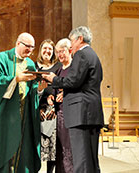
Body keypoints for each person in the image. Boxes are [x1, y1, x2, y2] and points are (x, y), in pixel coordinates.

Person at [42, 26, 104, 173]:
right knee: (91, 161)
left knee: (81, 160)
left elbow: (72, 81)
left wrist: (54, 79)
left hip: (80, 114)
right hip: (91, 113)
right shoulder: (93, 55)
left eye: (72, 41)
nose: (71, 46)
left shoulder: (81, 55)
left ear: (79, 39)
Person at [0, 32, 41, 173]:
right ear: (18, 43)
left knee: (22, 148)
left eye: (33, 47)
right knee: (6, 148)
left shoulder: (30, 63)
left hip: (24, 113)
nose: (30, 50)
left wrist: (38, 83)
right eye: (27, 46)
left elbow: (32, 88)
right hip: (5, 113)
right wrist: (16, 79)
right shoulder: (2, 58)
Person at [47, 38, 73, 173]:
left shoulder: (74, 69)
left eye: (62, 51)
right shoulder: (58, 71)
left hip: (71, 116)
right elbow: (55, 89)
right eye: (57, 52)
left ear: (70, 50)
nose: (60, 55)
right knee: (60, 151)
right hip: (59, 116)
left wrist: (66, 93)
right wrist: (52, 97)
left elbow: (79, 88)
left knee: (69, 151)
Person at [35, 39, 61, 173]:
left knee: (53, 148)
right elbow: (30, 90)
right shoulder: (34, 67)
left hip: (52, 110)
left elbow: (61, 88)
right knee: (37, 146)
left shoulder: (58, 67)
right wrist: (38, 107)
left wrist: (55, 106)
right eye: (45, 48)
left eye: (50, 49)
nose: (47, 51)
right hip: (36, 109)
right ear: (40, 50)